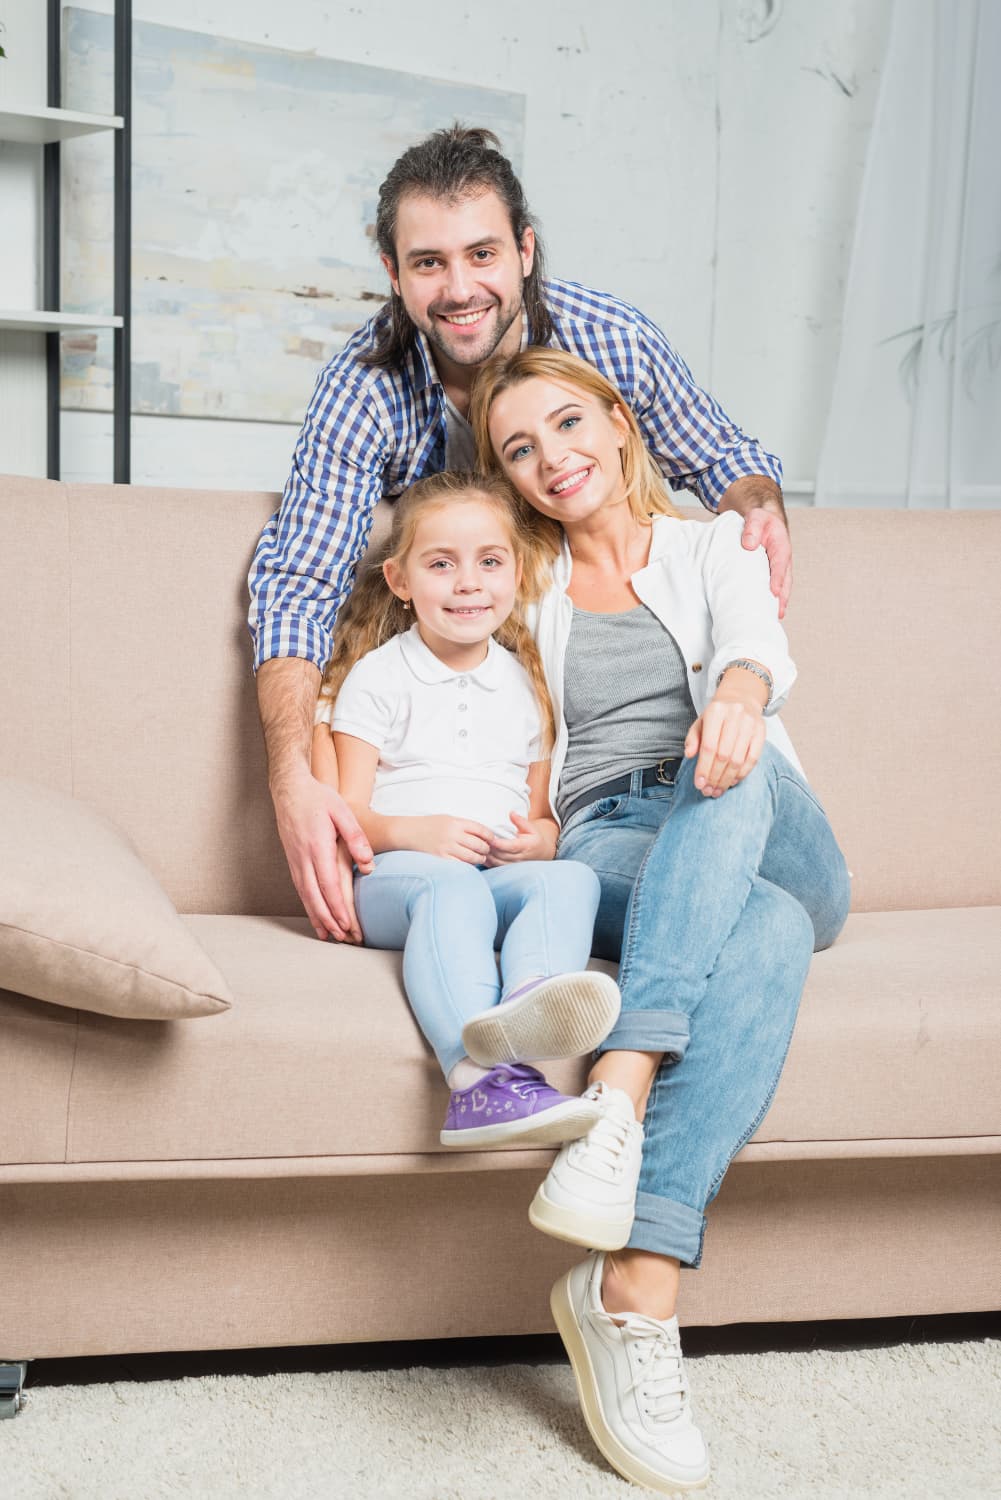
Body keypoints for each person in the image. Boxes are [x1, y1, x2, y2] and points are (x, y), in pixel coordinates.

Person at [247, 124, 794, 945]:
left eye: (482, 254)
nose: (459, 287)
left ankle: (623, 1068)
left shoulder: (607, 338)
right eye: (428, 263)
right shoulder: (362, 388)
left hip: (653, 760)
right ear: (393, 275)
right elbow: (301, 581)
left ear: (526, 250)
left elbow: (724, 459)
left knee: (749, 880)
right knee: (765, 923)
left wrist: (759, 511)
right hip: (529, 746)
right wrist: (291, 781)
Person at [469, 347, 851, 1495]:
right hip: (610, 839)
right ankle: (633, 1286)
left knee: (720, 769)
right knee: (766, 931)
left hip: (753, 796)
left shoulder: (709, 545)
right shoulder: (515, 582)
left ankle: (617, 1098)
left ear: (622, 424)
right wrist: (518, 822)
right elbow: (478, 713)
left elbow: (753, 644)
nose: (553, 460)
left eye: (569, 425)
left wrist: (736, 696)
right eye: (519, 450)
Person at [310, 467, 622, 1148]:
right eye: (441, 564)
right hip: (397, 879)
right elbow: (345, 810)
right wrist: (409, 832)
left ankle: (527, 1003)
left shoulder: (526, 684)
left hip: (492, 878)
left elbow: (542, 818)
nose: (467, 583)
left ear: (517, 575)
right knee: (450, 886)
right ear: (400, 581)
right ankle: (472, 1083)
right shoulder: (379, 675)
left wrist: (539, 843)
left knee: (571, 877)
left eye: (488, 562)